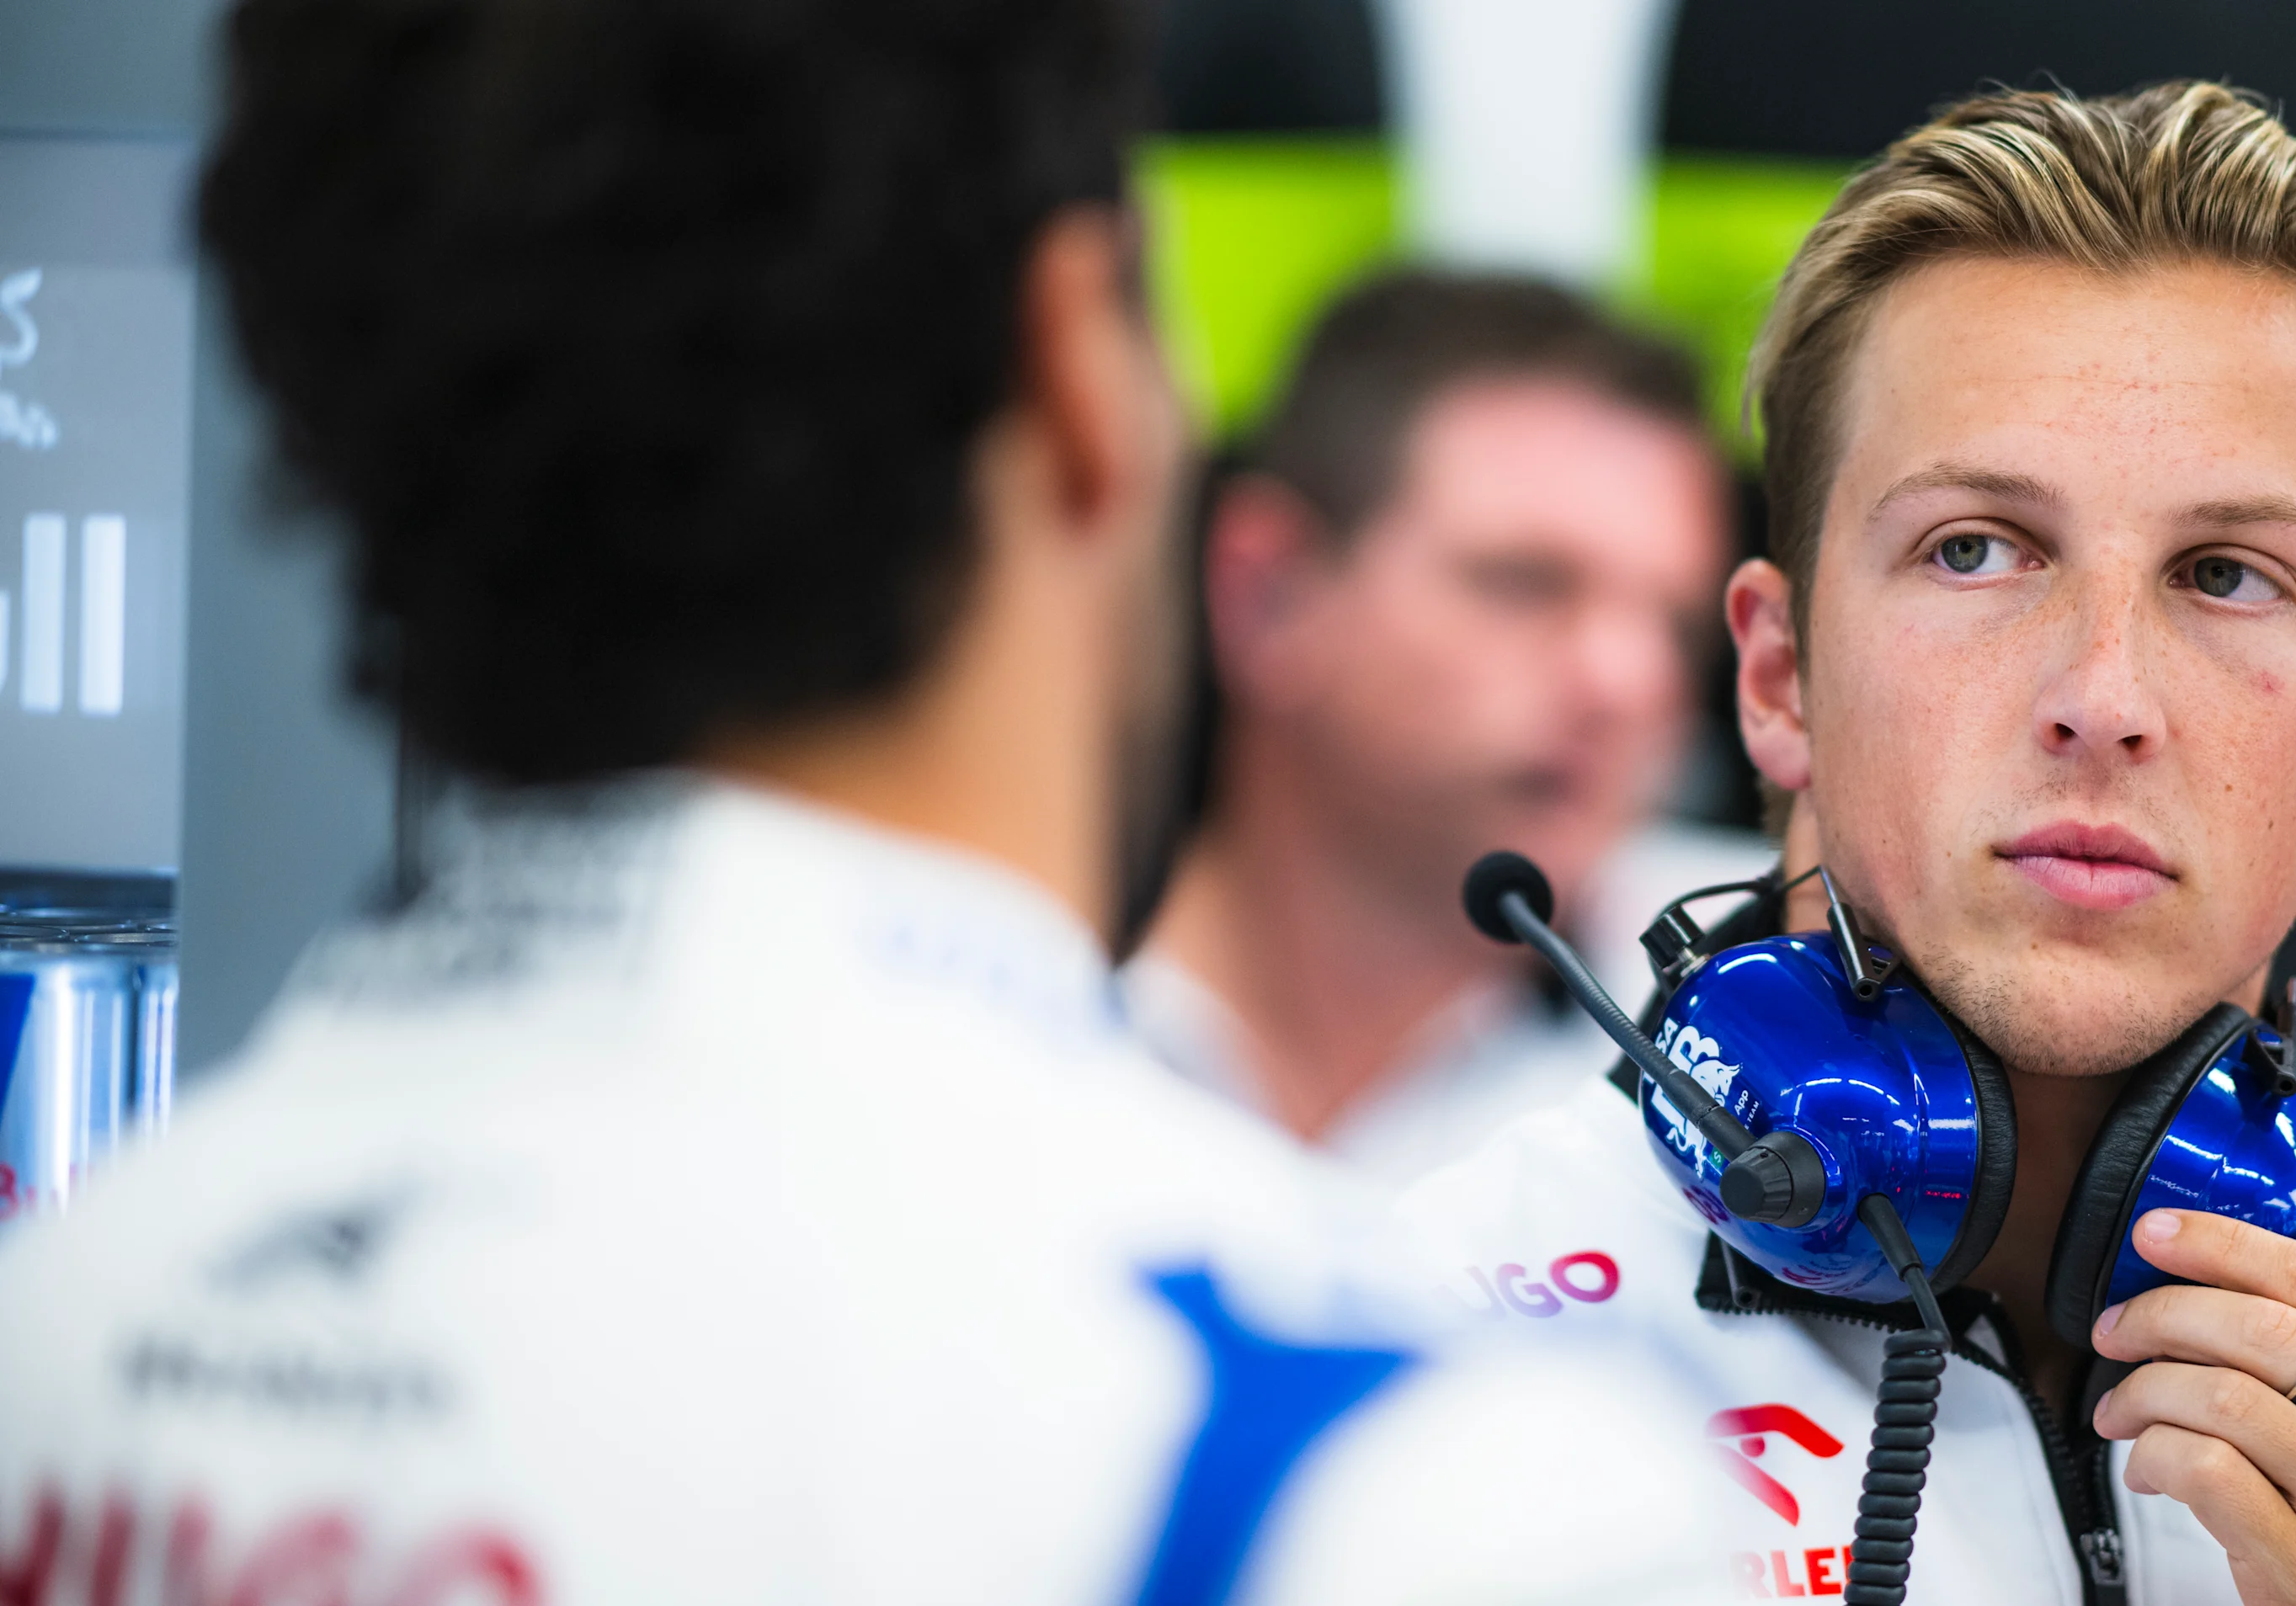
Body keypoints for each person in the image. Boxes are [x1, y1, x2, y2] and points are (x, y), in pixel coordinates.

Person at [0, 2, 1726, 1600]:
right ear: (1072, 359)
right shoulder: (1410, 1480)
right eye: (1520, 583)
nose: (1617, 682)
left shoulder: (66, 1319)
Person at [1393, 82, 2296, 1604]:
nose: (2102, 698)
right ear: (1778, 676)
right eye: (1975, 549)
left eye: (2227, 574)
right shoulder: (1410, 1365)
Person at [1129, 271, 1764, 1188]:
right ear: (1266, 595)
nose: (1629, 683)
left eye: (1675, 626)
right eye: (1525, 583)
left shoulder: (1757, 1015)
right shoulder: (1012, 1000)